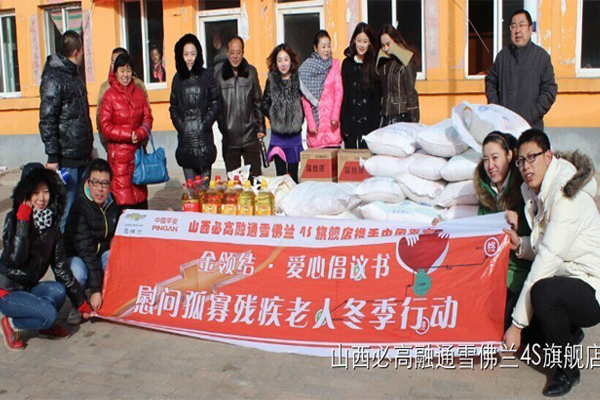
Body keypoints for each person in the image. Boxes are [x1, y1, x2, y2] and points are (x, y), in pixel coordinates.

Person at [503, 129, 600, 397]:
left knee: (542, 294)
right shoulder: (536, 191)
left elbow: (547, 259)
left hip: (591, 287)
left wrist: (517, 326)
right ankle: (568, 331)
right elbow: (545, 244)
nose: (526, 166)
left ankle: (568, 370)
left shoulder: (565, 196)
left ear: (548, 156)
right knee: (511, 313)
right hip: (565, 278)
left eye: (532, 157)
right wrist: (521, 246)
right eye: (521, 160)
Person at [0, 164, 91, 351]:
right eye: (35, 192)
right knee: (49, 315)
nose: (41, 198)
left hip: (29, 288)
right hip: (8, 291)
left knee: (58, 290)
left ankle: (41, 323)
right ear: (25, 194)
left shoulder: (51, 225)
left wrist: (80, 302)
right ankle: (11, 323)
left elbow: (61, 268)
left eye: (46, 192)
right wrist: (23, 222)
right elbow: (15, 260)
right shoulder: (13, 219)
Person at [473, 132, 532, 330]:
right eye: (485, 159)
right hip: (489, 269)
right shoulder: (485, 192)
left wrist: (518, 227)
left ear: (509, 155)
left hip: (516, 271)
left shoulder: (524, 188)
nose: (490, 165)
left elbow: (537, 234)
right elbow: (479, 233)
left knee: (498, 319)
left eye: (495, 158)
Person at [39, 30, 93, 232]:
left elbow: (82, 115)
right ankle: (61, 249)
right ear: (76, 51)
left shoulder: (75, 76)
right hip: (66, 159)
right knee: (66, 209)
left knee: (82, 207)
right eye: (82, 51)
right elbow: (47, 119)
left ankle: (77, 246)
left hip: (82, 153)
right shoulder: (54, 78)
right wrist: (52, 156)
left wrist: (90, 146)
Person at [64, 159, 119, 325]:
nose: (100, 189)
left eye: (104, 183)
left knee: (115, 257)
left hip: (99, 255)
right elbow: (86, 251)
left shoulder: (112, 203)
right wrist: (95, 290)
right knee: (77, 272)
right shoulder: (79, 207)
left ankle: (108, 301)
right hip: (79, 256)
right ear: (88, 183)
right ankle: (78, 304)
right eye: (95, 182)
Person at [486, 9, 557, 130]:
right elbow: (491, 81)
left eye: (522, 25)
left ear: (530, 29)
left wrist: (532, 114)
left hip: (531, 127)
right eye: (513, 26)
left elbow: (549, 90)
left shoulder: (541, 57)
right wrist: (496, 108)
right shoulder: (503, 57)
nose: (517, 30)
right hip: (505, 127)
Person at [98, 53, 153, 210]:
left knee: (140, 200)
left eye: (128, 70)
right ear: (115, 72)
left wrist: (140, 133)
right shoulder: (109, 96)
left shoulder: (139, 93)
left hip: (137, 155)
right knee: (122, 200)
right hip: (119, 158)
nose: (125, 75)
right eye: (122, 70)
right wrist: (128, 135)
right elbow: (105, 126)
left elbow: (148, 118)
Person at [170, 34, 221, 184]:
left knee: (205, 190)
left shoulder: (207, 75)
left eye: (193, 54)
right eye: (186, 54)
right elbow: (173, 107)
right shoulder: (177, 78)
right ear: (181, 56)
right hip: (186, 140)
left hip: (203, 138)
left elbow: (215, 102)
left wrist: (205, 123)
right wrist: (181, 126)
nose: (189, 58)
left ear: (198, 54)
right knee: (191, 189)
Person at [215, 36, 266, 178]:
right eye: (232, 52)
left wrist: (261, 127)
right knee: (234, 183)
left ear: (243, 53)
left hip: (250, 136)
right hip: (230, 139)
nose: (235, 56)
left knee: (255, 180)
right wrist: (224, 127)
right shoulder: (219, 76)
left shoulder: (251, 73)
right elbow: (217, 106)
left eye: (238, 52)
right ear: (227, 53)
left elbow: (258, 101)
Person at [261, 43, 304, 183]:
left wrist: (300, 116)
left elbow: (304, 102)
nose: (283, 64)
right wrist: (274, 116)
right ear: (275, 62)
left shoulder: (298, 79)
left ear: (291, 60)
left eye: (286, 59)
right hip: (278, 137)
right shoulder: (272, 80)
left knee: (293, 178)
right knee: (280, 177)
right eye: (279, 60)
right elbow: (264, 103)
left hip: (294, 136)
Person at [97, 47, 148, 152]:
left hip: (138, 149)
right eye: (114, 62)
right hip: (116, 150)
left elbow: (146, 117)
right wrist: (108, 146)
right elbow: (100, 121)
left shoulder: (138, 86)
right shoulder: (105, 89)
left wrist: (141, 141)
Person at [298, 30, 343, 149]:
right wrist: (311, 122)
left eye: (329, 46)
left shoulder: (335, 65)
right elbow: (305, 99)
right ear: (315, 48)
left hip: (333, 128)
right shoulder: (306, 68)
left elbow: (339, 92)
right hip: (316, 132)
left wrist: (335, 115)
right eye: (323, 47)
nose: (326, 50)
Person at [341, 22, 381, 149]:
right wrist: (344, 124)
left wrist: (374, 126)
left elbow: (377, 98)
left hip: (368, 123)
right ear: (354, 40)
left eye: (365, 41)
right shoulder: (347, 64)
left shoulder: (373, 64)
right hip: (351, 122)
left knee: (366, 158)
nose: (362, 45)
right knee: (350, 159)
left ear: (369, 43)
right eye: (359, 41)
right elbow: (344, 95)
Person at [376, 24, 420, 126]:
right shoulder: (383, 63)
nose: (385, 49)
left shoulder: (405, 60)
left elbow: (411, 94)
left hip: (401, 115)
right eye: (383, 45)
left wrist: (414, 122)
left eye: (388, 44)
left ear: (395, 41)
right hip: (385, 117)